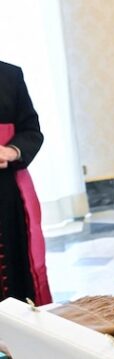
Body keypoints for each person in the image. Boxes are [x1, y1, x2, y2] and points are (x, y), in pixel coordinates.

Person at [0, 61, 51, 306]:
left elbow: (31, 130)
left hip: (7, 192)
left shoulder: (10, 74)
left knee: (15, 272)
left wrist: (10, 151)